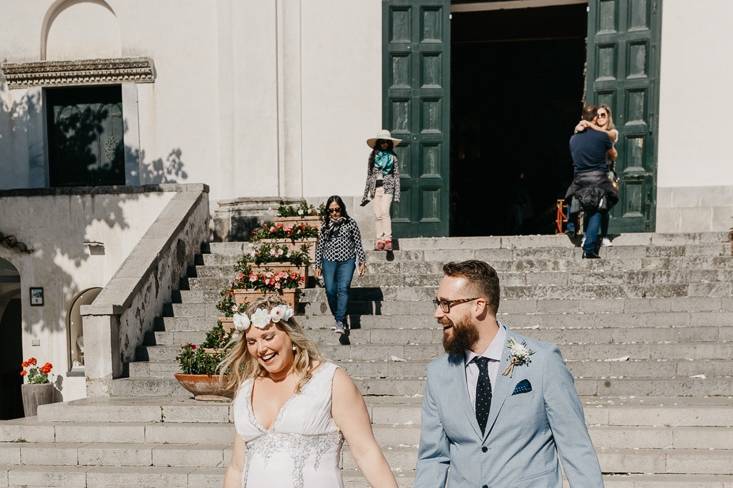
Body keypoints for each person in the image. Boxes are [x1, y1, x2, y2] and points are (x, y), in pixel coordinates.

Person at [415, 260, 603, 488]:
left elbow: (575, 447)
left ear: (479, 305)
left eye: (446, 304)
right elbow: (433, 459)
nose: (437, 313)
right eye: (437, 302)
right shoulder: (438, 373)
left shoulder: (543, 361)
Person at [222, 296, 399, 488]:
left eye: (268, 337)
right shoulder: (246, 389)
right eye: (251, 342)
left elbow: (366, 452)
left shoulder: (330, 379)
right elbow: (237, 468)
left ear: (290, 335)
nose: (261, 349)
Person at [565, 104, 618, 258]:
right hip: (599, 179)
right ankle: (589, 249)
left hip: (580, 179)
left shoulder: (573, 139)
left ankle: (572, 226)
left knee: (572, 198)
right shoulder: (602, 137)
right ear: (595, 118)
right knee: (596, 211)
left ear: (582, 118)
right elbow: (614, 155)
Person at [314, 195, 366, 335]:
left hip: (347, 260)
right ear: (328, 211)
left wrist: (361, 261)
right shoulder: (324, 225)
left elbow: (358, 243)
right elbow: (320, 246)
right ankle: (340, 317)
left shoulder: (350, 223)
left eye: (337, 209)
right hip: (328, 260)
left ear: (342, 209)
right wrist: (317, 265)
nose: (334, 213)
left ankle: (339, 320)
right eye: (331, 210)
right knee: (330, 290)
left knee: (343, 288)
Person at [361, 129, 401, 251]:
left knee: (384, 212)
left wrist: (397, 194)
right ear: (378, 143)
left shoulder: (393, 157)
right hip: (375, 189)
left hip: (388, 187)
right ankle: (379, 240)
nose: (384, 144)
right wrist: (365, 194)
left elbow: (396, 175)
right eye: (382, 142)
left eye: (386, 142)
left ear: (389, 144)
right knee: (377, 214)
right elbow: (369, 175)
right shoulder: (373, 156)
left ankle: (388, 239)